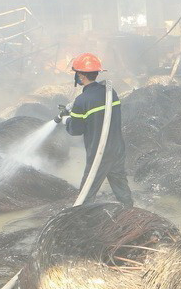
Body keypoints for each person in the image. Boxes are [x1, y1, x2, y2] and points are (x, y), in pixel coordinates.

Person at [56, 52, 133, 207]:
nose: (76, 76)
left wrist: (67, 120)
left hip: (99, 151)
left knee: (87, 191)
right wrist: (76, 109)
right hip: (117, 148)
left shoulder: (82, 101)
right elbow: (99, 113)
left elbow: (76, 130)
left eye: (77, 73)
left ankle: (81, 217)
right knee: (120, 184)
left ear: (81, 75)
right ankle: (129, 210)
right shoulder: (110, 92)